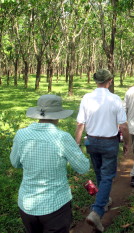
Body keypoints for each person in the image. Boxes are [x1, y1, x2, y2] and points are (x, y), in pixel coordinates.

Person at [10, 94, 90, 233]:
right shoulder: (62, 137)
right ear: (58, 115)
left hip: (27, 205)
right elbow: (83, 167)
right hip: (56, 205)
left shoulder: (21, 135)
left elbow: (15, 163)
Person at [75, 69, 130, 232]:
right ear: (110, 81)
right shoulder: (114, 99)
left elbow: (80, 124)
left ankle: (104, 200)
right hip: (109, 143)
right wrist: (128, 144)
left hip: (91, 141)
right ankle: (97, 211)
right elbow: (124, 125)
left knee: (99, 173)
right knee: (107, 176)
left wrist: (76, 143)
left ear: (96, 81)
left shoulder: (86, 98)